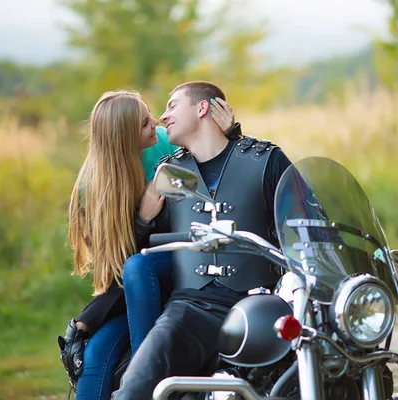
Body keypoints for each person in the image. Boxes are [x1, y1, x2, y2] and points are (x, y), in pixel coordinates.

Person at [112, 81, 293, 399]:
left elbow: (306, 227)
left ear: (202, 108)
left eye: (172, 105)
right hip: (189, 308)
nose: (162, 116)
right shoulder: (166, 174)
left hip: (258, 304)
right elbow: (141, 252)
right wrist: (141, 219)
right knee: (134, 387)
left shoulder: (266, 159)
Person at [57, 89, 239, 400]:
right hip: (135, 284)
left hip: (182, 268)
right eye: (144, 123)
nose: (155, 123)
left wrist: (228, 135)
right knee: (97, 354)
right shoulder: (94, 189)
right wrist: (141, 219)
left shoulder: (162, 141)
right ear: (124, 138)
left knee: (139, 278)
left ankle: (142, 379)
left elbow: (216, 176)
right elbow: (117, 268)